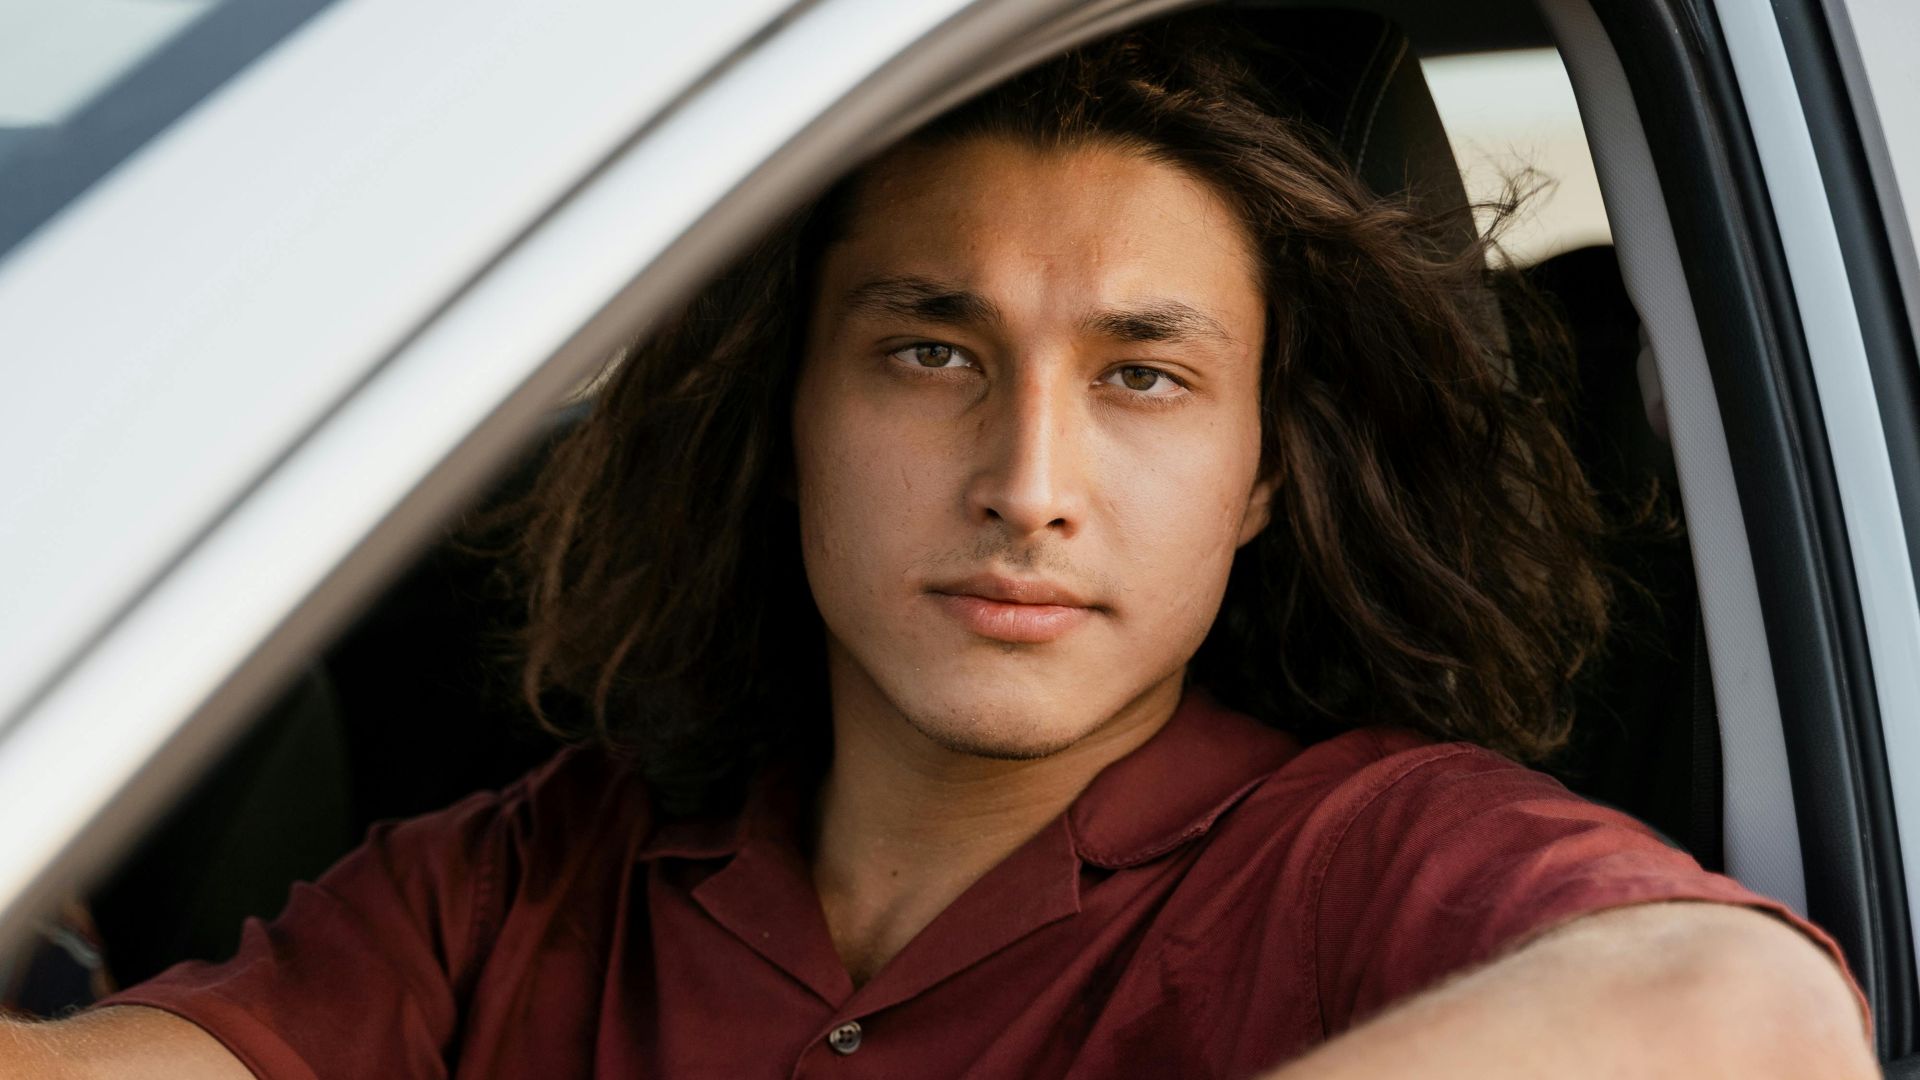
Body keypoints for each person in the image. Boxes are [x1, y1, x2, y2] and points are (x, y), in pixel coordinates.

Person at [0, 12, 1875, 1078]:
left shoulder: (1364, 855)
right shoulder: (530, 883)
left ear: (1263, 477)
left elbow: (1743, 1014)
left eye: (1144, 378)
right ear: (789, 413)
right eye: (929, 351)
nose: (1027, 480)